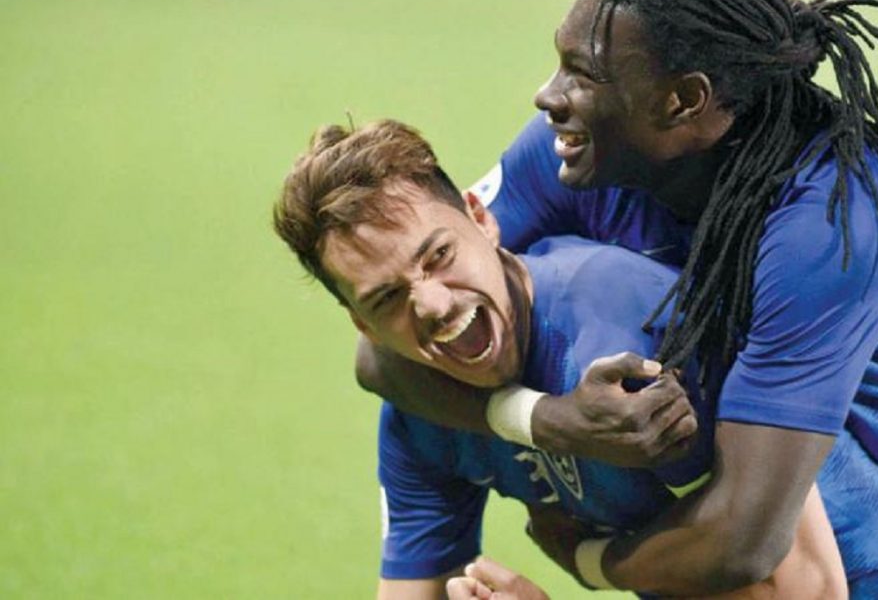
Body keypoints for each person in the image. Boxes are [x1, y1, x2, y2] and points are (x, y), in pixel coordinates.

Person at [354, 0, 878, 597]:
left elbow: (746, 541)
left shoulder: (829, 219)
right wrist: (545, 421)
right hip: (830, 517)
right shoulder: (571, 152)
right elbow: (385, 352)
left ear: (683, 100)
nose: (548, 96)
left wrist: (589, 560)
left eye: (583, 73)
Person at [271, 119, 847, 598]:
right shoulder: (423, 414)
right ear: (362, 325)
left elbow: (801, 588)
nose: (434, 305)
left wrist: (591, 564)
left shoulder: (629, 339)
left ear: (481, 217)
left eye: (439, 255)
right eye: (386, 299)